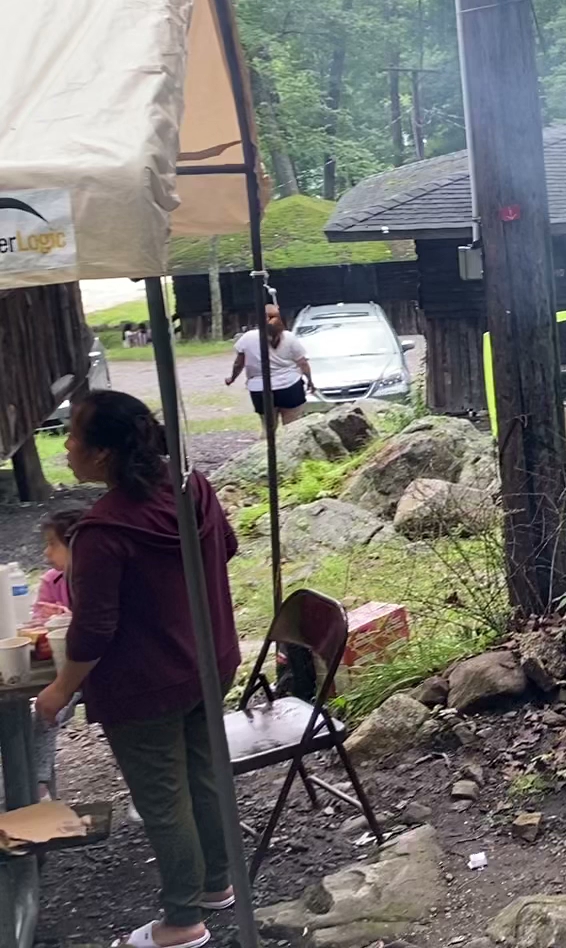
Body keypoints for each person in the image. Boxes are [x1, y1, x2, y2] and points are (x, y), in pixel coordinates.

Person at [37, 391, 242, 948]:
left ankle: (182, 921)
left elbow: (94, 631)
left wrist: (58, 690)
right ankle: (217, 883)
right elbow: (224, 547)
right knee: (202, 774)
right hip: (211, 660)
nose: (67, 446)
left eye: (73, 435)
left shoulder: (103, 532)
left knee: (163, 798)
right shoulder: (192, 488)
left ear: (102, 453)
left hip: (148, 684)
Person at [31, 510, 81, 800]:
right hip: (63, 671)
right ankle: (38, 789)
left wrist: (71, 619)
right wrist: (44, 624)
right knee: (42, 709)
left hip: (94, 668)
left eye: (53, 544)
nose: (45, 552)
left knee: (47, 704)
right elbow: (38, 621)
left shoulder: (97, 578)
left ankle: (145, 791)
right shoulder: (52, 581)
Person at [225, 304, 314, 427]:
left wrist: (232, 378)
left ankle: (267, 445)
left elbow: (238, 363)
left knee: (268, 429)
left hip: (260, 389)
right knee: (293, 427)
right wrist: (310, 381)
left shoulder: (247, 338)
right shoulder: (289, 337)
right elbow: (302, 363)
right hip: (290, 386)